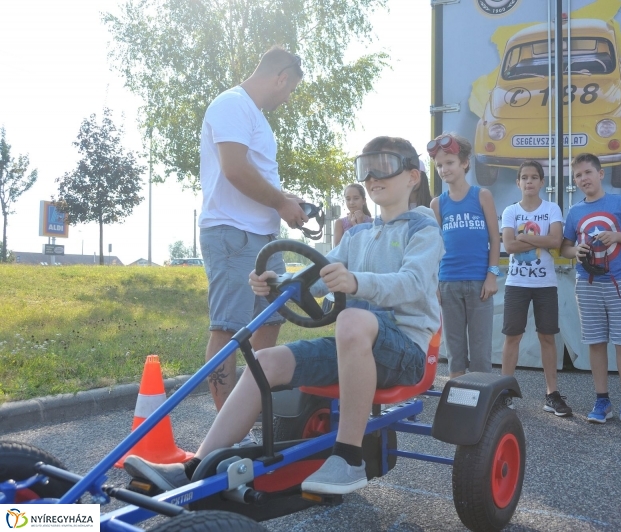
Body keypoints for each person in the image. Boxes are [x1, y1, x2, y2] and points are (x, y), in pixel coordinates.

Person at [123, 136, 444, 495]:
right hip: (355, 346)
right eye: (364, 168)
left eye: (383, 166)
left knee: (350, 320)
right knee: (265, 360)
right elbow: (319, 276)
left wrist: (355, 282)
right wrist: (279, 282)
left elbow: (413, 284)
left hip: (406, 351)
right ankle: (196, 466)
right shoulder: (358, 237)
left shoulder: (424, 229)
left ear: (413, 177)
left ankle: (349, 458)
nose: (371, 176)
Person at [198, 46, 309, 414]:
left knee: (272, 321)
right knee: (227, 328)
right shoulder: (232, 104)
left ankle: (251, 415)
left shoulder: (254, 116)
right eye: (290, 89)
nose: (288, 98)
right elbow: (234, 168)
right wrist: (280, 203)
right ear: (280, 77)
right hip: (233, 235)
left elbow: (253, 172)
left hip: (262, 239)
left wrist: (285, 198)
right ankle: (224, 431)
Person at [560, 153, 621, 428]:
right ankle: (602, 401)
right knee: (596, 343)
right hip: (587, 285)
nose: (583, 178)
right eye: (578, 175)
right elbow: (564, 247)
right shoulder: (575, 212)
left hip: (618, 282)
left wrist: (617, 236)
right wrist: (577, 250)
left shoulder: (619, 203)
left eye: (588, 172)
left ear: (600, 174)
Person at [500, 160, 571, 415]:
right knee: (512, 337)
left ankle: (552, 394)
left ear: (542, 182)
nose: (529, 181)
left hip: (545, 284)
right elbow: (509, 246)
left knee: (547, 337)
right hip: (516, 283)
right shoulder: (510, 211)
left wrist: (524, 237)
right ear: (518, 182)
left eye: (534, 177)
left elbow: (556, 241)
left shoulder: (552, 208)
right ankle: (504, 391)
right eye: (524, 177)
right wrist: (539, 241)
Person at [429, 133, 500, 378]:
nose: (444, 169)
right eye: (439, 165)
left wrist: (492, 275)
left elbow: (495, 238)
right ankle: (458, 399)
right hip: (448, 283)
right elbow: (434, 247)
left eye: (449, 162)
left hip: (479, 283)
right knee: (455, 349)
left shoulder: (482, 196)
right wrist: (435, 282)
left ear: (465, 163)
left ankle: (483, 402)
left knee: (480, 350)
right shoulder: (437, 204)